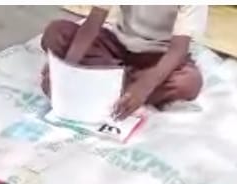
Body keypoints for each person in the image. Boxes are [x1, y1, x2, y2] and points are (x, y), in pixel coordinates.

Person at [41, 6, 207, 119]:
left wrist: (142, 88)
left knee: (187, 81)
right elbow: (93, 23)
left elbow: (177, 50)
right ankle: (114, 86)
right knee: (56, 33)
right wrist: (65, 72)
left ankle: (102, 84)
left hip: (158, 58)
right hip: (118, 46)